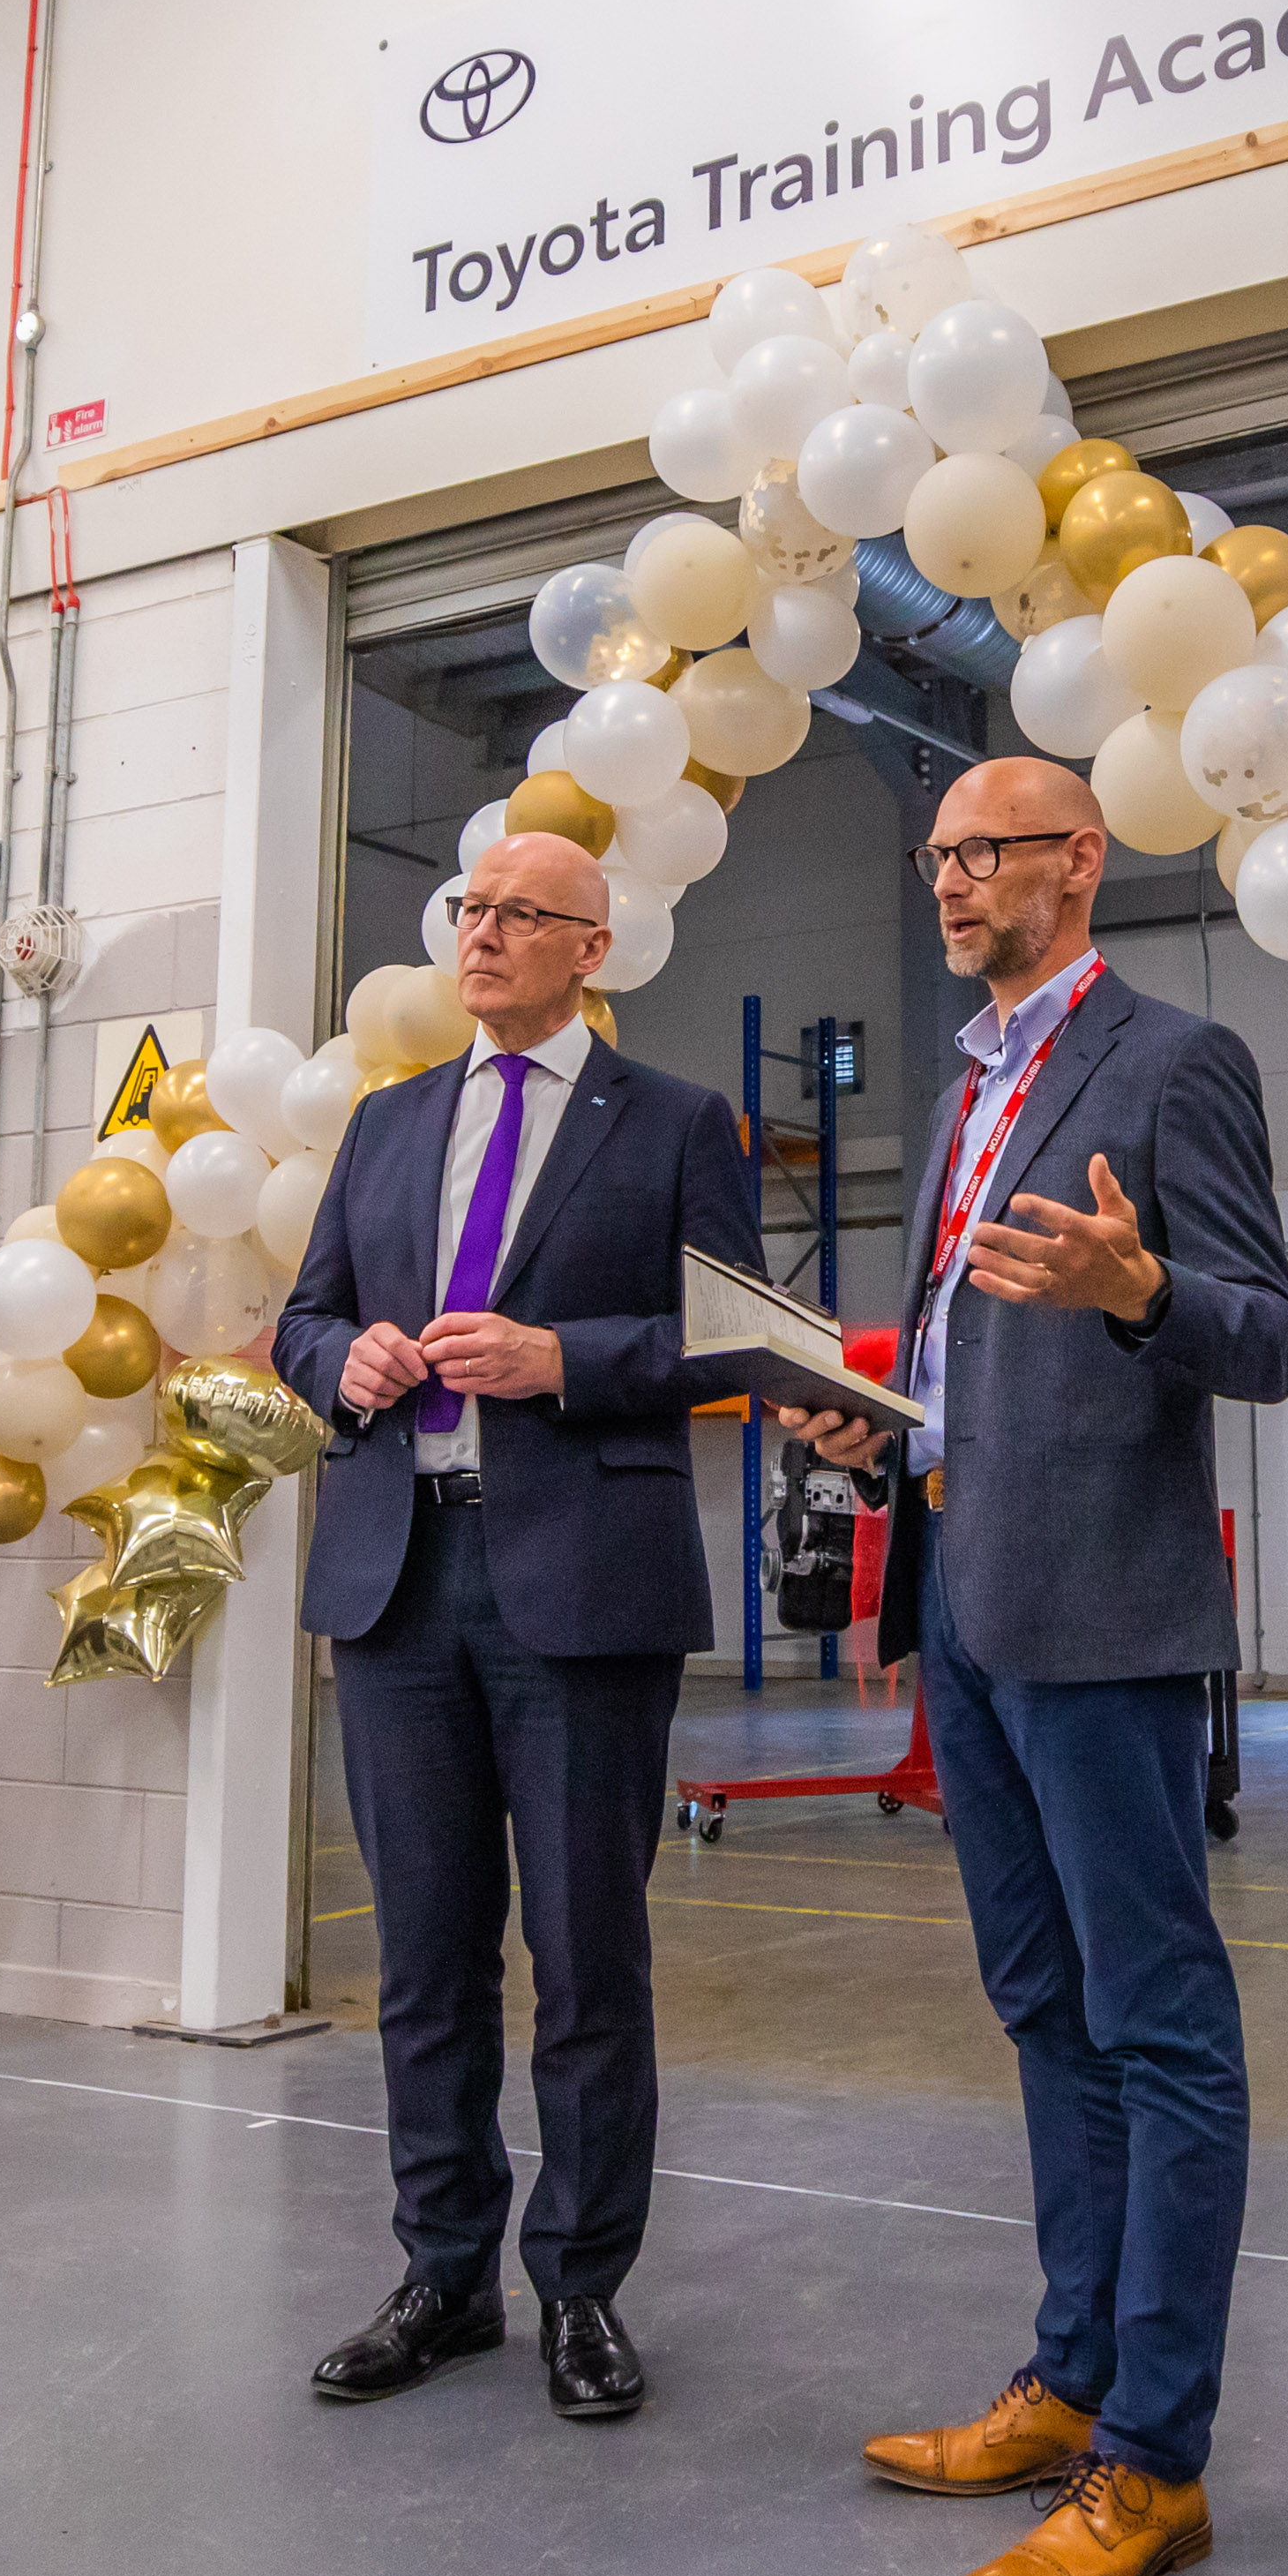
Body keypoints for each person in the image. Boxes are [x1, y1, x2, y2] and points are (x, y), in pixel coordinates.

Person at [787, 760, 1288, 2576]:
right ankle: (1071, 2370)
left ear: (1078, 863)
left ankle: (1153, 2457)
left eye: (981, 851)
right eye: (931, 854)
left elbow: (1267, 1336)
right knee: (1043, 2008)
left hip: (1105, 1611)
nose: (947, 881)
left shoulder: (1173, 1064)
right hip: (975, 1597)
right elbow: (964, 1351)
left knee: (1158, 2021)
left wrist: (1141, 1279)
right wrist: (881, 1416)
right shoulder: (962, 1091)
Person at [269, 829, 758, 2423]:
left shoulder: (678, 1123)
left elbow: (733, 1338)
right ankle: (442, 2273)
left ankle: (584, 2288)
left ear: (589, 948)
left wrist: (567, 1359)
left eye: (515, 914)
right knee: (424, 1958)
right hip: (398, 1581)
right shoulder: (390, 1119)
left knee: (585, 1958)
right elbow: (305, 1311)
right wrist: (337, 1362)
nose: (478, 934)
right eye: (468, 909)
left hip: (580, 1586)